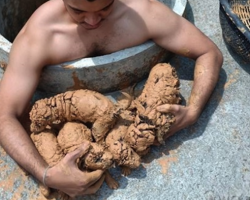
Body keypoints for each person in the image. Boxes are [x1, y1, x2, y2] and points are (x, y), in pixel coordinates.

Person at [0, 0, 223, 198]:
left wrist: (193, 110)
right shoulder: (41, 34)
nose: (93, 20)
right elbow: (4, 115)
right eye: (77, 10)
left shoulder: (143, 12)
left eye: (105, 7)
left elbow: (208, 52)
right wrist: (47, 174)